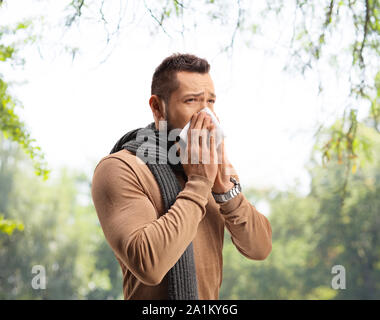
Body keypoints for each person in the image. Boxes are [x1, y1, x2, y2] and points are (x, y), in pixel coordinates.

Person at [91, 53, 272, 300]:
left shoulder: (212, 168)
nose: (207, 115)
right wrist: (199, 184)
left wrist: (223, 190)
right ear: (158, 108)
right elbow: (149, 265)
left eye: (211, 101)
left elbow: (260, 248)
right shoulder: (121, 168)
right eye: (191, 101)